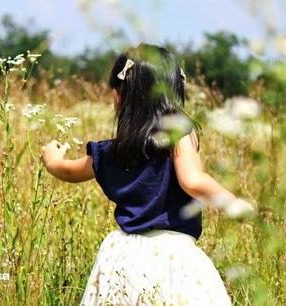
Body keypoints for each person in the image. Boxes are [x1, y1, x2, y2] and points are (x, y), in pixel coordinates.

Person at [40, 44, 245, 305]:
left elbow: (68, 171)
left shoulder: (110, 152)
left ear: (118, 96)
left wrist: (52, 159)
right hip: (173, 257)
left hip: (120, 257)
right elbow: (192, 181)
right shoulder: (178, 133)